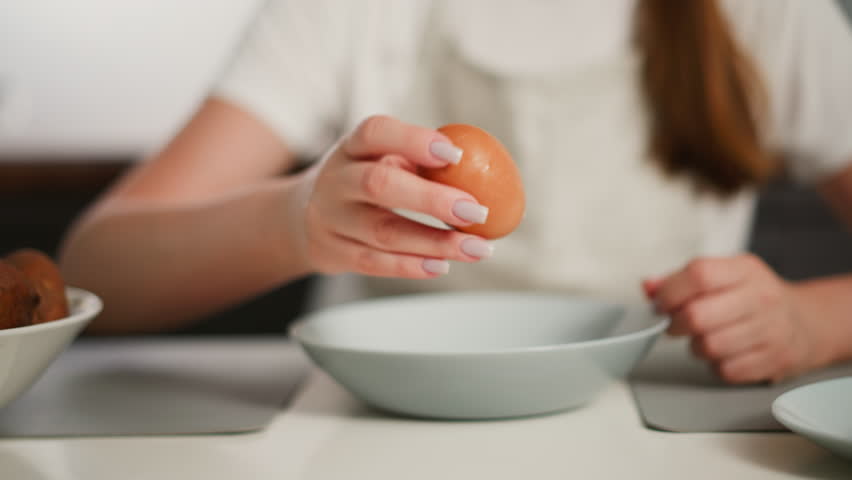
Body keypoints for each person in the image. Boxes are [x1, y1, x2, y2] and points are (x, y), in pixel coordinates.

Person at [59, 0, 852, 384]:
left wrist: (814, 321)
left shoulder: (765, 14)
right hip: (372, 442)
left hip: (664, 431)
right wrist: (293, 222)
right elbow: (99, 272)